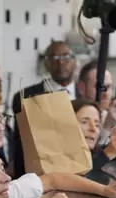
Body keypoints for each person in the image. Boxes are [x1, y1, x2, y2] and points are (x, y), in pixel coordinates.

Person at [11, 41, 77, 177]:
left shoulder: (87, 96)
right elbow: (20, 145)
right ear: (46, 63)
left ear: (75, 61)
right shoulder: (24, 96)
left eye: (66, 57)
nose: (60, 63)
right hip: (37, 176)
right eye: (54, 58)